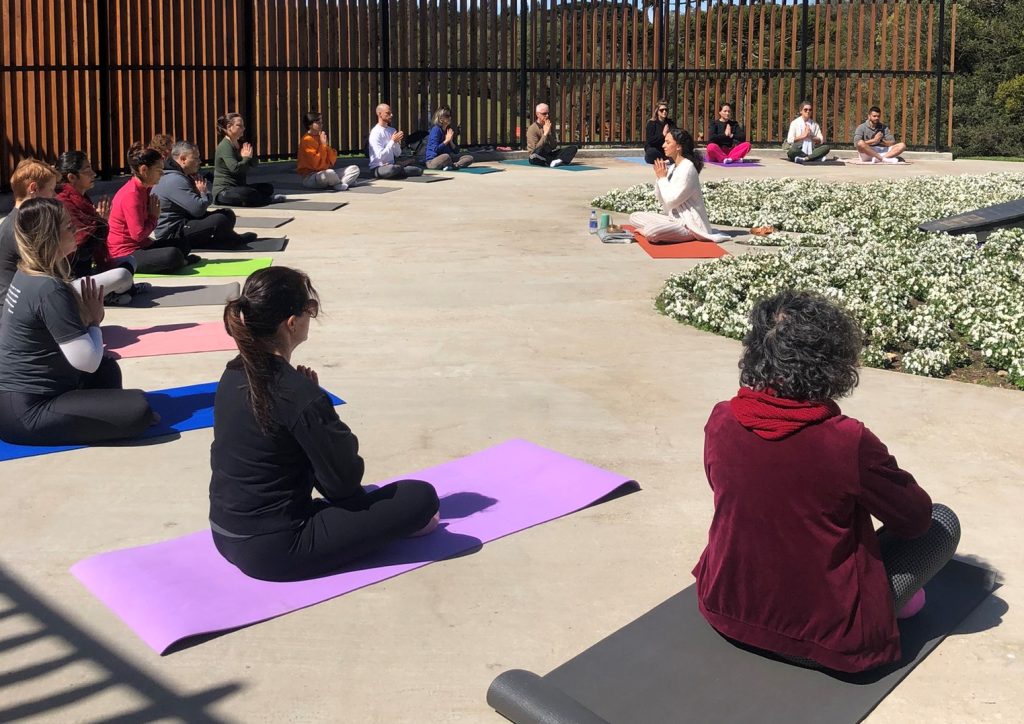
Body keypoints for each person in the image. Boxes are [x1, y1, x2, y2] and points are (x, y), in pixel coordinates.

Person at [694, 291, 961, 673]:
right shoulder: (845, 441)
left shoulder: (722, 419)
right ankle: (893, 605)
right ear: (834, 363)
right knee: (942, 522)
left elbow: (728, 493)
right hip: (829, 640)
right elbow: (916, 519)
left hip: (727, 611)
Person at [209, 266, 441, 582]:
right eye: (309, 310)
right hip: (275, 550)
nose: (311, 318)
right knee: (420, 498)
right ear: (292, 323)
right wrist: (319, 410)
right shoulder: (298, 394)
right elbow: (343, 485)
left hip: (225, 534)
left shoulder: (233, 373)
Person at [0, 198, 156, 446]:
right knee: (139, 409)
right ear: (49, 236)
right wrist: (94, 320)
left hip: (21, 400)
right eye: (68, 227)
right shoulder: (47, 288)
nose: (76, 230)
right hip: (28, 412)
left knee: (108, 370)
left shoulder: (27, 272)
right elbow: (87, 361)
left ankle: (104, 412)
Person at [2, 159, 136, 305]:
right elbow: (48, 275)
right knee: (121, 275)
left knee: (126, 265)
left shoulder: (22, 220)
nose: (54, 196)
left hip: (39, 290)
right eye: (51, 190)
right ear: (33, 188)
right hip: (29, 299)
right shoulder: (24, 226)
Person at [54, 151, 142, 304]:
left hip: (86, 269)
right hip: (70, 278)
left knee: (130, 261)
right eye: (87, 170)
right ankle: (108, 295)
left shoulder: (80, 198)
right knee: (123, 275)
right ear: (72, 177)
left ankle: (113, 291)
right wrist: (101, 223)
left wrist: (100, 223)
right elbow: (80, 249)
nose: (94, 173)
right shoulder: (63, 202)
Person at [107, 143, 197, 274]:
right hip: (125, 253)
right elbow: (137, 235)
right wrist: (153, 217)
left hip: (142, 245)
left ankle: (178, 260)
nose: (162, 175)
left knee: (183, 244)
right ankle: (178, 261)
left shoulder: (145, 189)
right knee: (172, 255)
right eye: (159, 171)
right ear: (144, 170)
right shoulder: (132, 195)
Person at [628, 129, 728, 243]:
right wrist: (660, 176)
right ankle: (662, 229)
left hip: (689, 224)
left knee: (652, 231)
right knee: (634, 216)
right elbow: (662, 200)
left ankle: (683, 233)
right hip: (674, 219)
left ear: (678, 147)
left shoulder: (688, 168)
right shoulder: (672, 167)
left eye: (668, 142)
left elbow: (671, 201)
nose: (663, 145)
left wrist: (662, 178)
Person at [154, 140, 258, 250]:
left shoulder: (183, 175)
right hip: (172, 234)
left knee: (227, 213)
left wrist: (203, 193)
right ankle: (221, 242)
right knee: (220, 220)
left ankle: (227, 239)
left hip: (186, 221)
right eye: (195, 158)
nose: (199, 161)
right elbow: (198, 210)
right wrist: (203, 192)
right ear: (183, 159)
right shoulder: (175, 180)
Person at [212, 112, 280, 207]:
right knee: (248, 193)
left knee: (268, 188)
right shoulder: (225, 146)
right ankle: (266, 200)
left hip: (239, 187)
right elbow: (235, 169)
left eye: (243, 126)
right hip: (224, 191)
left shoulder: (240, 143)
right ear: (229, 127)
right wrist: (246, 158)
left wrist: (250, 156)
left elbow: (254, 164)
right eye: (239, 125)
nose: (243, 128)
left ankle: (257, 199)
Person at [297, 111, 361, 190]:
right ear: (310, 125)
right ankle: (342, 183)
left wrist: (325, 145)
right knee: (329, 173)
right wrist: (323, 145)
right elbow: (316, 164)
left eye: (321, 122)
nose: (321, 124)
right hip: (311, 177)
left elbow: (332, 160)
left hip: (326, 171)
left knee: (354, 169)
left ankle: (339, 184)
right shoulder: (306, 140)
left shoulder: (321, 137)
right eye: (318, 122)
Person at [367, 103, 423, 179]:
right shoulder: (375, 132)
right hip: (379, 167)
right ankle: (400, 166)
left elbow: (398, 153)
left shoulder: (392, 130)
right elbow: (379, 157)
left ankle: (400, 167)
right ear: (380, 114)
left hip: (392, 164)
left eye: (391, 113)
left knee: (418, 170)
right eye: (388, 113)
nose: (391, 115)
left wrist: (396, 142)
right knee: (392, 169)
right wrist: (392, 141)